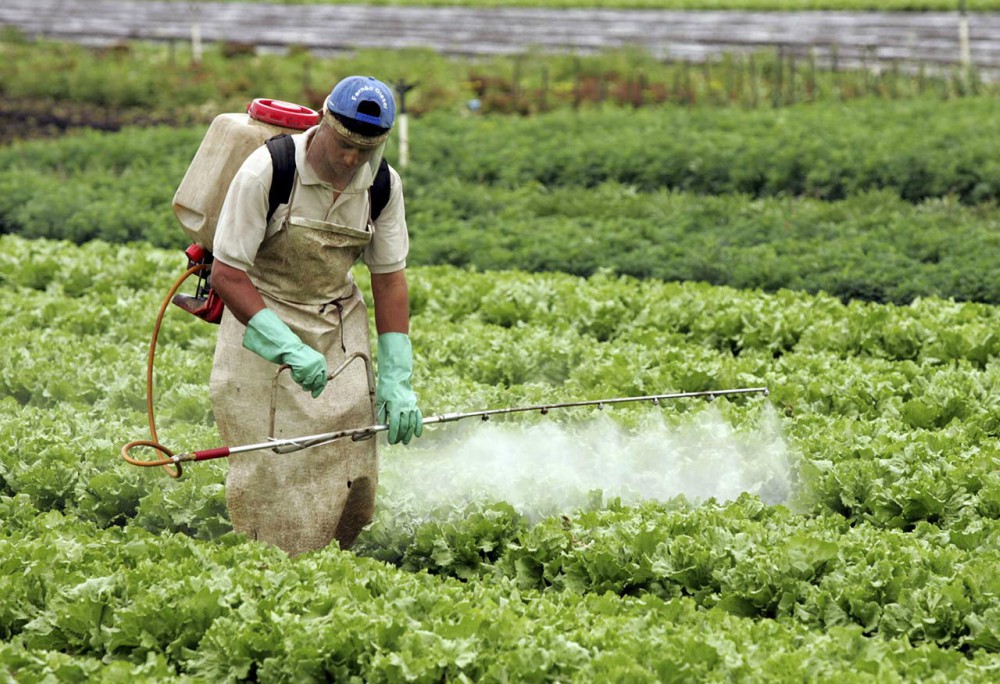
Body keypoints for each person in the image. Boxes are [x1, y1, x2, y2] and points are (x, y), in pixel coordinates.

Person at [208, 75, 422, 555]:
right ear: (324, 121)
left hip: (335, 320)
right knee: (273, 463)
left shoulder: (383, 185)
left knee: (350, 454)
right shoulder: (268, 170)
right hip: (261, 318)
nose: (350, 159)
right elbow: (227, 275)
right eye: (343, 144)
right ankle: (270, 560)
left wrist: (397, 377)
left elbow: (389, 279)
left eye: (363, 150)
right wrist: (285, 347)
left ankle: (336, 558)